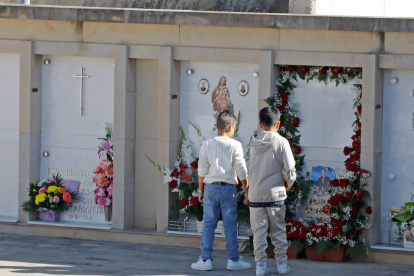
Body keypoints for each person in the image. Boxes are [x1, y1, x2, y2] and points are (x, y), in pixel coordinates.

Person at [192, 110, 251, 271]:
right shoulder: (236, 145)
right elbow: (242, 171)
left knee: (208, 225)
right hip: (228, 189)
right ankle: (233, 259)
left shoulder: (207, 144)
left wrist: (200, 190)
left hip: (210, 188)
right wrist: (246, 191)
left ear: (216, 126)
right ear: (231, 127)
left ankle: (205, 260)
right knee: (230, 225)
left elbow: (201, 170)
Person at [248, 106, 297, 276]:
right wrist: (289, 183)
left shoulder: (253, 142)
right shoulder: (281, 141)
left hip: (255, 193)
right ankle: (282, 264)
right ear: (279, 123)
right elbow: (290, 168)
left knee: (258, 231)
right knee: (278, 230)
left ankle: (260, 266)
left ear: (260, 124)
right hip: (275, 192)